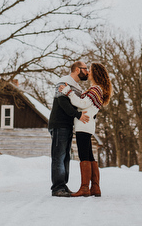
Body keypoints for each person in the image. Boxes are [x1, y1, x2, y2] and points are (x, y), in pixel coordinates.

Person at [59, 62, 112, 197]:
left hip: (84, 124)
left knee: (84, 156)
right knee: (89, 156)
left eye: (90, 70)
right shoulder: (97, 89)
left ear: (95, 73)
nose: (88, 72)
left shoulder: (95, 89)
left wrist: (68, 92)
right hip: (87, 125)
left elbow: (82, 103)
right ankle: (95, 187)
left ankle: (84, 188)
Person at [48, 61, 90, 197]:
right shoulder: (63, 82)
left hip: (67, 125)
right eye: (85, 69)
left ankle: (63, 185)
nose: (88, 71)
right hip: (59, 123)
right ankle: (57, 188)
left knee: (65, 156)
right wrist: (77, 115)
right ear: (78, 70)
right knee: (58, 156)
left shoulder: (76, 87)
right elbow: (62, 101)